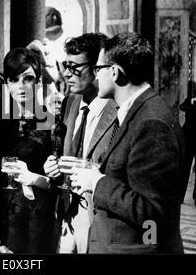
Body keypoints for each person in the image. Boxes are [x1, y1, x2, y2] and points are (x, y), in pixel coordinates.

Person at [69, 33, 184, 254]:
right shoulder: (136, 110)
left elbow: (152, 212)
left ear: (114, 72)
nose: (95, 75)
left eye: (98, 69)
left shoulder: (151, 122)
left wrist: (97, 182)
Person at [43, 33, 117, 254]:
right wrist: (52, 166)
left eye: (74, 67)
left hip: (98, 216)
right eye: (66, 65)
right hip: (66, 212)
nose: (66, 73)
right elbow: (63, 150)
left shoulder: (117, 109)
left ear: (97, 69)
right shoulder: (71, 101)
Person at [0, 47, 58, 253]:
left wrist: (32, 177)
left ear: (39, 81)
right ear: (7, 84)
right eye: (14, 80)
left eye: (28, 79)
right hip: (2, 218)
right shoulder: (0, 123)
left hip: (36, 217)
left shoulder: (51, 123)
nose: (21, 86)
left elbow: (59, 185)